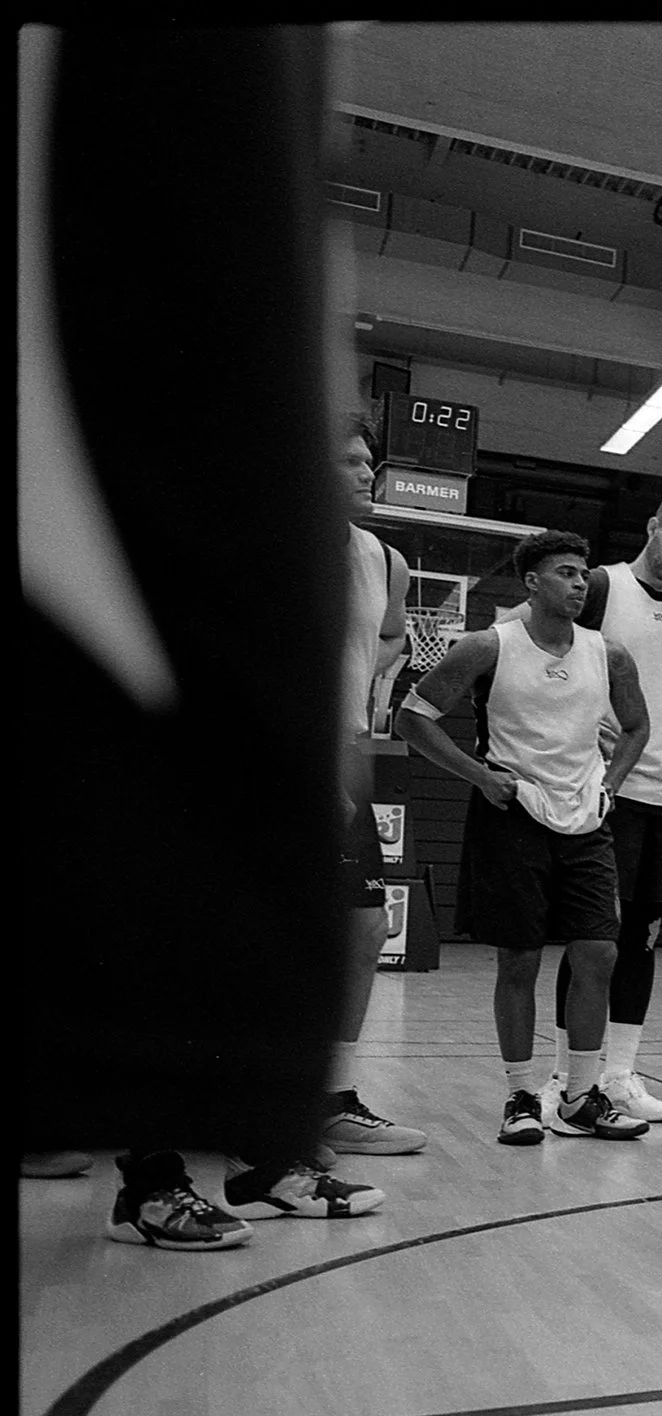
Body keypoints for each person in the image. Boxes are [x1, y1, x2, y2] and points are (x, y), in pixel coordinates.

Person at [24, 24, 383, 1245]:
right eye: (342, 452)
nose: (350, 464)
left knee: (297, 940)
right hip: (145, 651)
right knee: (146, 917)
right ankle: (158, 1166)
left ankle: (271, 1149)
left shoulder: (366, 559)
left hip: (291, 752)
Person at [397, 531, 655, 1144]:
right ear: (532, 583)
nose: (579, 583)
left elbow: (637, 727)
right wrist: (480, 776)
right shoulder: (488, 646)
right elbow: (413, 718)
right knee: (520, 960)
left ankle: (580, 1097)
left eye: (584, 573)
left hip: (585, 821)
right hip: (512, 815)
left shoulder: (609, 654)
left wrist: (612, 782)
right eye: (566, 572)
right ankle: (519, 1095)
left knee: (600, 952)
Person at [526, 485, 662, 1125]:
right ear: (653, 527)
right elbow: (539, 643)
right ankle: (566, 1078)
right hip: (607, 788)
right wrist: (580, 716)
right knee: (594, 938)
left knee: (643, 937)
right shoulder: (600, 586)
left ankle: (620, 1075)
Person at [327, 410, 429, 1159]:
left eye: (370, 462)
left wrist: (371, 671)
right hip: (273, 759)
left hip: (345, 756)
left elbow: (391, 632)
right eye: (350, 461)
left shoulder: (383, 560)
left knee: (365, 930)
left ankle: (332, 1100)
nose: (368, 473)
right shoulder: (266, 539)